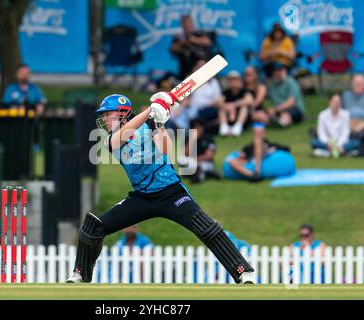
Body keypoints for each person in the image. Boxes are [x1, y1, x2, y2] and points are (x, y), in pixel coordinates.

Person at [66, 92, 255, 284]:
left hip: (172, 193)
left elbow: (166, 149)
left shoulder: (149, 125)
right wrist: (152, 108)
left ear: (123, 113)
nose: (104, 119)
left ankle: (242, 271)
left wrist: (158, 122)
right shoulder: (109, 139)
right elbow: (121, 137)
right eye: (103, 115)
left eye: (108, 114)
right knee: (92, 228)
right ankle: (81, 274)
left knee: (207, 228)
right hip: (142, 197)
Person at [223, 124, 296, 182]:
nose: (258, 134)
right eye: (256, 133)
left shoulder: (270, 144)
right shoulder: (249, 147)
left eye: (260, 132)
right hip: (251, 160)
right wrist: (242, 155)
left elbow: (286, 149)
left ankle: (257, 171)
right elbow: (242, 155)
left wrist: (273, 149)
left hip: (263, 158)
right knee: (231, 161)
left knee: (259, 142)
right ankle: (252, 175)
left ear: (264, 133)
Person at [170, 15, 213, 80]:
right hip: (185, 68)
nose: (188, 26)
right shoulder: (179, 37)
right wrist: (183, 43)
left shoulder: (198, 33)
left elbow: (208, 42)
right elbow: (173, 48)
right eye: (185, 24)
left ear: (192, 23)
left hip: (200, 66)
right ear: (182, 25)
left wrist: (195, 40)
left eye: (189, 23)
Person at [179, 119, 220, 183]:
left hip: (204, 162)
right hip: (191, 163)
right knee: (181, 159)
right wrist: (192, 139)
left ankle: (200, 174)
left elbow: (209, 155)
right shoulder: (188, 138)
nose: (197, 129)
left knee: (202, 166)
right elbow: (185, 154)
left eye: (199, 126)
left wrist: (196, 159)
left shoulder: (209, 138)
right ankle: (202, 174)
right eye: (195, 127)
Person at [267, 63, 306, 127]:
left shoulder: (291, 82)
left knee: (286, 115)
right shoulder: (272, 85)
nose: (278, 73)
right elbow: (274, 101)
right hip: (279, 109)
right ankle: (277, 121)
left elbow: (291, 102)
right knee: (264, 115)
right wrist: (271, 110)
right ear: (273, 73)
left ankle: (281, 122)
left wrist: (275, 109)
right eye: (276, 72)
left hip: (295, 109)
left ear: (284, 71)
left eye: (280, 71)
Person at [218, 71, 253, 136]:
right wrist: (227, 107)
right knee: (222, 109)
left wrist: (233, 105)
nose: (233, 82)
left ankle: (237, 128)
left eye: (235, 80)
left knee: (244, 108)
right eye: (231, 80)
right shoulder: (226, 92)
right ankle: (224, 128)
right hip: (229, 115)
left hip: (242, 117)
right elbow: (219, 102)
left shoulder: (244, 91)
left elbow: (249, 100)